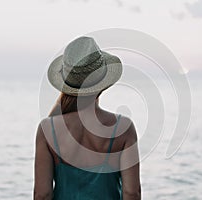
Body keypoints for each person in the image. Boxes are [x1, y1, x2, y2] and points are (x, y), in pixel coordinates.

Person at [34, 36, 141, 200]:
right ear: (103, 82)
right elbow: (131, 193)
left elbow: (42, 194)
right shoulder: (123, 128)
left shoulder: (47, 130)